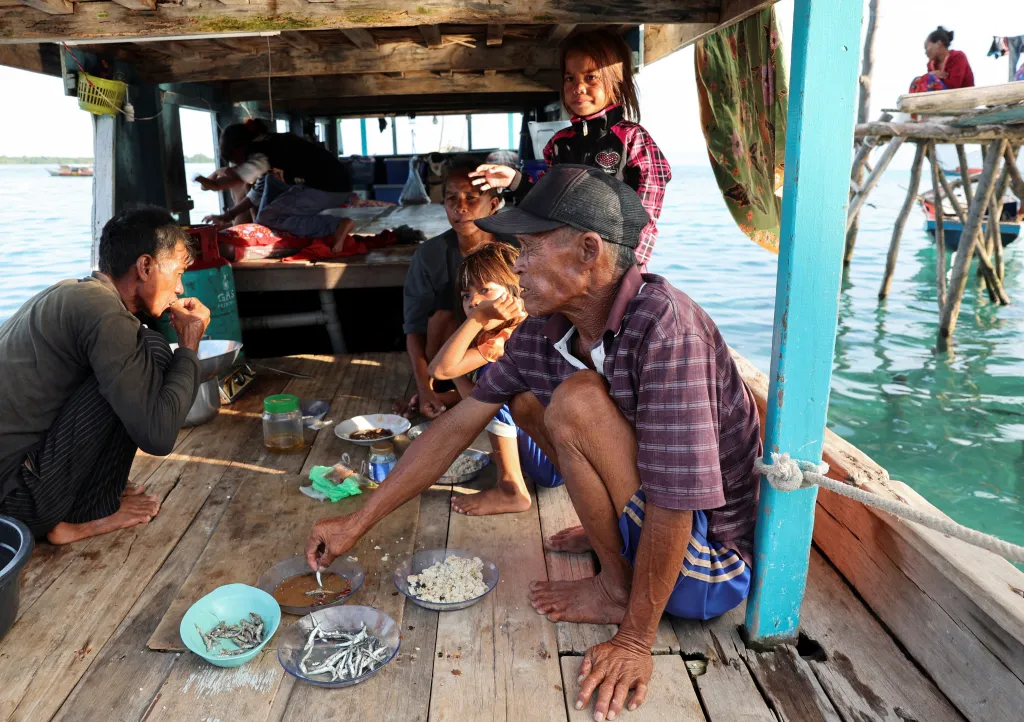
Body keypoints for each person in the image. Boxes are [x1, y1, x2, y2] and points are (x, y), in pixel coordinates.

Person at [305, 166, 761, 721]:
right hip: (652, 537)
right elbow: (455, 424)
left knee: (576, 401)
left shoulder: (665, 328)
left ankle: (619, 594)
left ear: (588, 251)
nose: (515, 262)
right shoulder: (542, 333)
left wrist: (637, 640)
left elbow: (676, 500)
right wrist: (356, 522)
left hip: (706, 570)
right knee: (543, 399)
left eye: (529, 247)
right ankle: (613, 574)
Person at [0, 207, 210, 544]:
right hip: (14, 506)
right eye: (178, 272)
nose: (181, 289)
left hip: (13, 487)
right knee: (153, 351)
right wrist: (188, 346)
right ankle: (82, 520)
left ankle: (90, 500)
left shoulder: (75, 293)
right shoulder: (106, 316)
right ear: (145, 267)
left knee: (143, 351)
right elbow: (158, 437)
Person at [470, 29, 672, 269]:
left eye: (590, 78)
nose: (579, 87)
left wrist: (633, 262)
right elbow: (547, 204)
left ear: (616, 80)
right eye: (570, 78)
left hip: (618, 262)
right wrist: (515, 180)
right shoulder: (558, 143)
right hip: (569, 261)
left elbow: (650, 204)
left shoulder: (632, 137)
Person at [428, 243, 563, 515]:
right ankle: (513, 464)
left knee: (494, 381)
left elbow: (438, 370)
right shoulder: (503, 331)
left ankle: (512, 489)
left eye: (484, 290)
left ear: (513, 292)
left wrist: (476, 319)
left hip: (555, 463)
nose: (473, 301)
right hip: (552, 457)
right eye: (466, 295)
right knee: (489, 387)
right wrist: (455, 377)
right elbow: (474, 401)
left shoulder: (512, 333)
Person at [400, 157, 503, 420]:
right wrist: (425, 389)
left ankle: (462, 396)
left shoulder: (514, 249)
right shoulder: (429, 255)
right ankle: (443, 392)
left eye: (471, 198)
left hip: (507, 350)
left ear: (492, 205)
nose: (460, 208)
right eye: (451, 199)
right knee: (441, 317)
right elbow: (414, 329)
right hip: (448, 362)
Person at [195, 119, 356, 254]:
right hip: (334, 185)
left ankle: (334, 226)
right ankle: (321, 227)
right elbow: (255, 194)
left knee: (268, 217)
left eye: (234, 159)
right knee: (267, 214)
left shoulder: (261, 153)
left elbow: (237, 179)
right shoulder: (268, 144)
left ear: (239, 149)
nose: (236, 164)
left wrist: (214, 185)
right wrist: (229, 216)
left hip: (327, 186)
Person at [910, 26, 975, 93]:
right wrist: (933, 74)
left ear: (938, 44)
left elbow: (953, 86)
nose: (925, 52)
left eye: (926, 47)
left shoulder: (958, 57)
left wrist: (931, 77)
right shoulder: (931, 64)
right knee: (917, 82)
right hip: (941, 99)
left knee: (927, 79)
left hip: (963, 98)